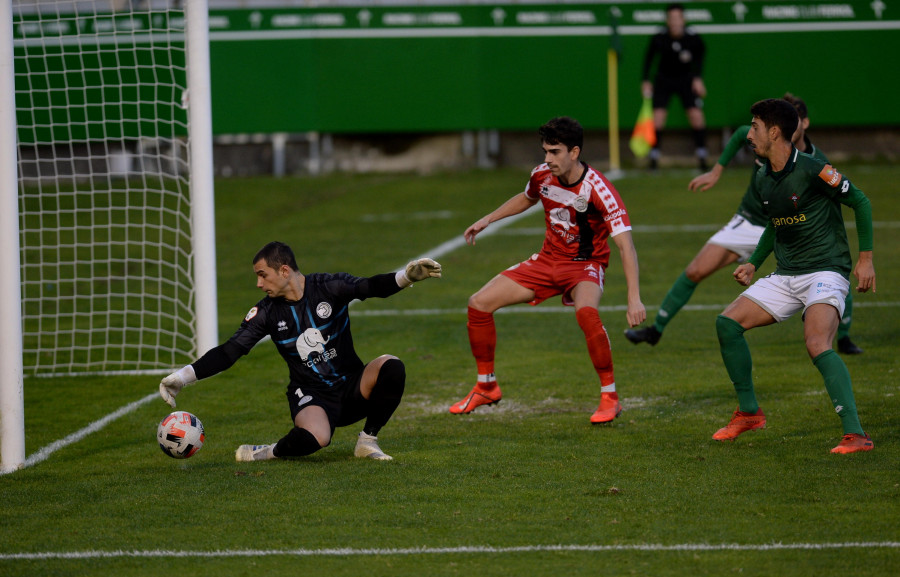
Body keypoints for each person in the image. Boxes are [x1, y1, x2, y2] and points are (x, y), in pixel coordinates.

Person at [158, 241, 442, 462]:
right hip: (312, 396)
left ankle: (367, 441)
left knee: (392, 366)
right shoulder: (265, 313)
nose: (258, 283)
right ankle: (269, 452)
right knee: (316, 439)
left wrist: (406, 277)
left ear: (283, 271)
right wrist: (183, 377)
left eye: (262, 275)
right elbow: (230, 351)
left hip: (352, 386)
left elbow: (368, 287)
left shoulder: (328, 287)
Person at [625, 93, 864, 355]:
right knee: (695, 270)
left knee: (828, 271)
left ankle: (844, 337)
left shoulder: (816, 164)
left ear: (803, 124)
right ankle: (656, 329)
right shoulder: (759, 138)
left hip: (792, 229)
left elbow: (851, 199)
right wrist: (716, 171)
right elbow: (740, 135)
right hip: (750, 222)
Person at [447, 116, 646, 423]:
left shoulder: (600, 190)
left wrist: (634, 298)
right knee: (479, 304)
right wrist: (489, 218)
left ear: (574, 152)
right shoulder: (542, 175)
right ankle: (486, 386)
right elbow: (527, 198)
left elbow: (626, 246)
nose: (547, 159)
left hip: (584, 266)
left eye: (555, 152)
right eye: (546, 151)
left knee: (587, 314)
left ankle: (610, 397)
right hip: (546, 262)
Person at [711, 98, 875, 454]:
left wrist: (865, 260)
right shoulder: (763, 176)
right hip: (787, 274)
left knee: (816, 342)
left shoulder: (815, 169)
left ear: (774, 132)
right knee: (727, 324)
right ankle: (749, 413)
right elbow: (775, 224)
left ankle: (856, 435)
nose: (748, 134)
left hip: (826, 269)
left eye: (754, 127)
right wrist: (754, 262)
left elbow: (860, 201)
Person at [641, 2, 708, 170]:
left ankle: (701, 155)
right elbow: (648, 59)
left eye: (678, 18)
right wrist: (646, 80)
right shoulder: (659, 37)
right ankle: (654, 157)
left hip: (686, 79)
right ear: (667, 20)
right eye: (672, 18)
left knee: (696, 115)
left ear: (683, 19)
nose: (675, 21)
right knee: (658, 118)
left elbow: (700, 57)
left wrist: (698, 78)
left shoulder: (693, 38)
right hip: (664, 80)